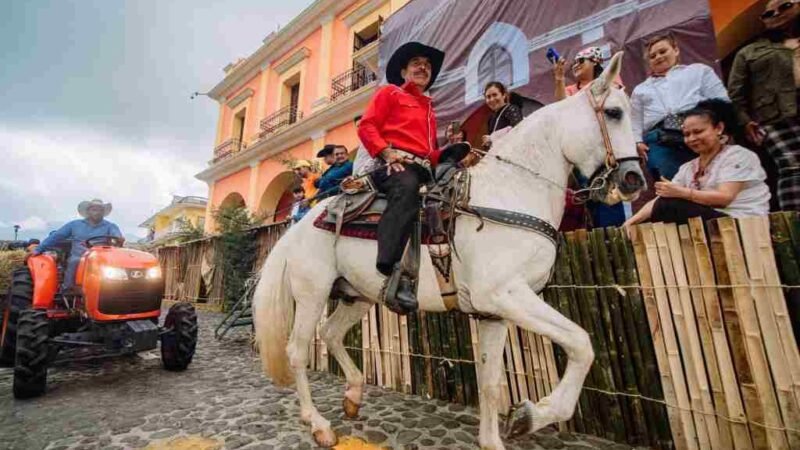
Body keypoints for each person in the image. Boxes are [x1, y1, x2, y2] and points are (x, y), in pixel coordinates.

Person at [358, 41, 467, 315]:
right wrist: (386, 152)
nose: (424, 67)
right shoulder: (390, 93)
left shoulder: (430, 109)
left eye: (428, 65)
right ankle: (393, 271)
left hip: (423, 169)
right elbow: (367, 126)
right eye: (417, 63)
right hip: (392, 165)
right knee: (406, 189)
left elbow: (428, 152)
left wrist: (451, 153)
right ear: (404, 71)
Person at [624, 99, 770, 227]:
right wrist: (630, 222)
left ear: (719, 128)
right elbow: (661, 198)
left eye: (698, 132)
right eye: (687, 134)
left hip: (744, 224)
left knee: (668, 206)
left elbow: (724, 198)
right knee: (651, 217)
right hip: (715, 224)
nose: (692, 138)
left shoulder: (738, 155)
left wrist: (681, 193)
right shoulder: (688, 168)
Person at [728, 0, 800, 210]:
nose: (776, 14)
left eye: (785, 6)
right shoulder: (749, 52)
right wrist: (745, 121)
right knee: (792, 166)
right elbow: (735, 93)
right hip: (775, 118)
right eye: (768, 14)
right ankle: (795, 223)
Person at [631, 33, 730, 180]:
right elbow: (634, 120)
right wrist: (637, 142)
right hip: (660, 140)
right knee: (671, 184)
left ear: (676, 50)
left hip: (699, 129)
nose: (658, 57)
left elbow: (721, 101)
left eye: (663, 51)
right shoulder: (640, 90)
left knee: (713, 179)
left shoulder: (698, 71)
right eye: (652, 56)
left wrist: (721, 129)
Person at [552, 46, 626, 228]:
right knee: (587, 201)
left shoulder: (610, 80)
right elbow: (562, 108)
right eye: (574, 62)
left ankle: (614, 240)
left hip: (605, 152)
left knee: (608, 200)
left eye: (581, 61)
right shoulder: (570, 89)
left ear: (596, 62)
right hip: (581, 153)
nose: (576, 65)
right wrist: (559, 79)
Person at [32, 199, 124, 290]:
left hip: (102, 259)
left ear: (103, 212)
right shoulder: (74, 225)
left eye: (100, 210)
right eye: (94, 210)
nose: (97, 212)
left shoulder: (111, 226)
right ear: (88, 211)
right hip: (80, 256)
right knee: (74, 262)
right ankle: (67, 289)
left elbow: (117, 236)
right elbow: (56, 236)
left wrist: (119, 239)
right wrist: (38, 249)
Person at [482, 81, 523, 150]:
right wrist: (487, 143)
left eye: (495, 95)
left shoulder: (512, 109)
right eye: (488, 97)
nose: (492, 99)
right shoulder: (491, 119)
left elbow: (518, 131)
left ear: (504, 95)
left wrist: (492, 138)